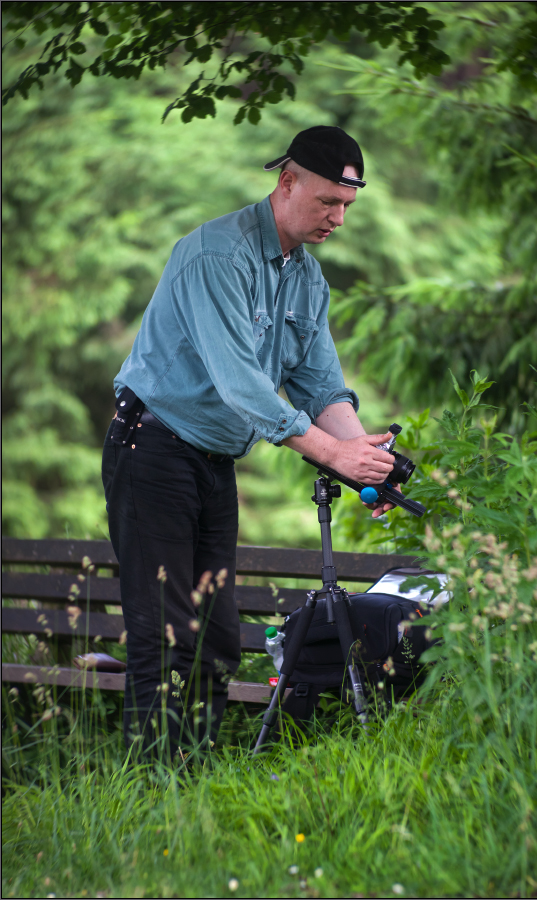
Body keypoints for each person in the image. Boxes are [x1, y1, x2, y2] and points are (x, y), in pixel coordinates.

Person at [101, 125, 397, 756]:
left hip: (214, 461)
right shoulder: (216, 255)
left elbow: (323, 388)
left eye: (347, 206)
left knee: (216, 637)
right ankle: (153, 784)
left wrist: (369, 463)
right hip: (152, 448)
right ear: (286, 182)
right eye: (327, 202)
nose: (338, 219)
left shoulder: (307, 279)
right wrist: (332, 453)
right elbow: (241, 385)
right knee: (164, 631)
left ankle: (196, 777)